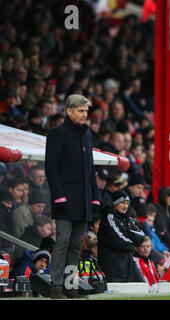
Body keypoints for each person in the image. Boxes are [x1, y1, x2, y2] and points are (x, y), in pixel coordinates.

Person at [44, 94, 101, 299]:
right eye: (80, 111)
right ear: (69, 111)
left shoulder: (86, 135)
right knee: (63, 241)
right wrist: (58, 194)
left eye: (86, 111)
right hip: (65, 199)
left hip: (83, 198)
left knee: (76, 244)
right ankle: (56, 287)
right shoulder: (57, 134)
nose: (85, 114)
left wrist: (95, 195)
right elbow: (51, 167)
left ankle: (69, 286)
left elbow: (91, 169)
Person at [97, 190, 146, 283]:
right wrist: (133, 245)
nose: (125, 206)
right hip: (113, 266)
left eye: (127, 203)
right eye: (122, 203)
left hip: (128, 262)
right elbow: (118, 241)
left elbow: (141, 235)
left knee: (141, 286)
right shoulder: (109, 217)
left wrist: (131, 239)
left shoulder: (127, 218)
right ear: (115, 203)